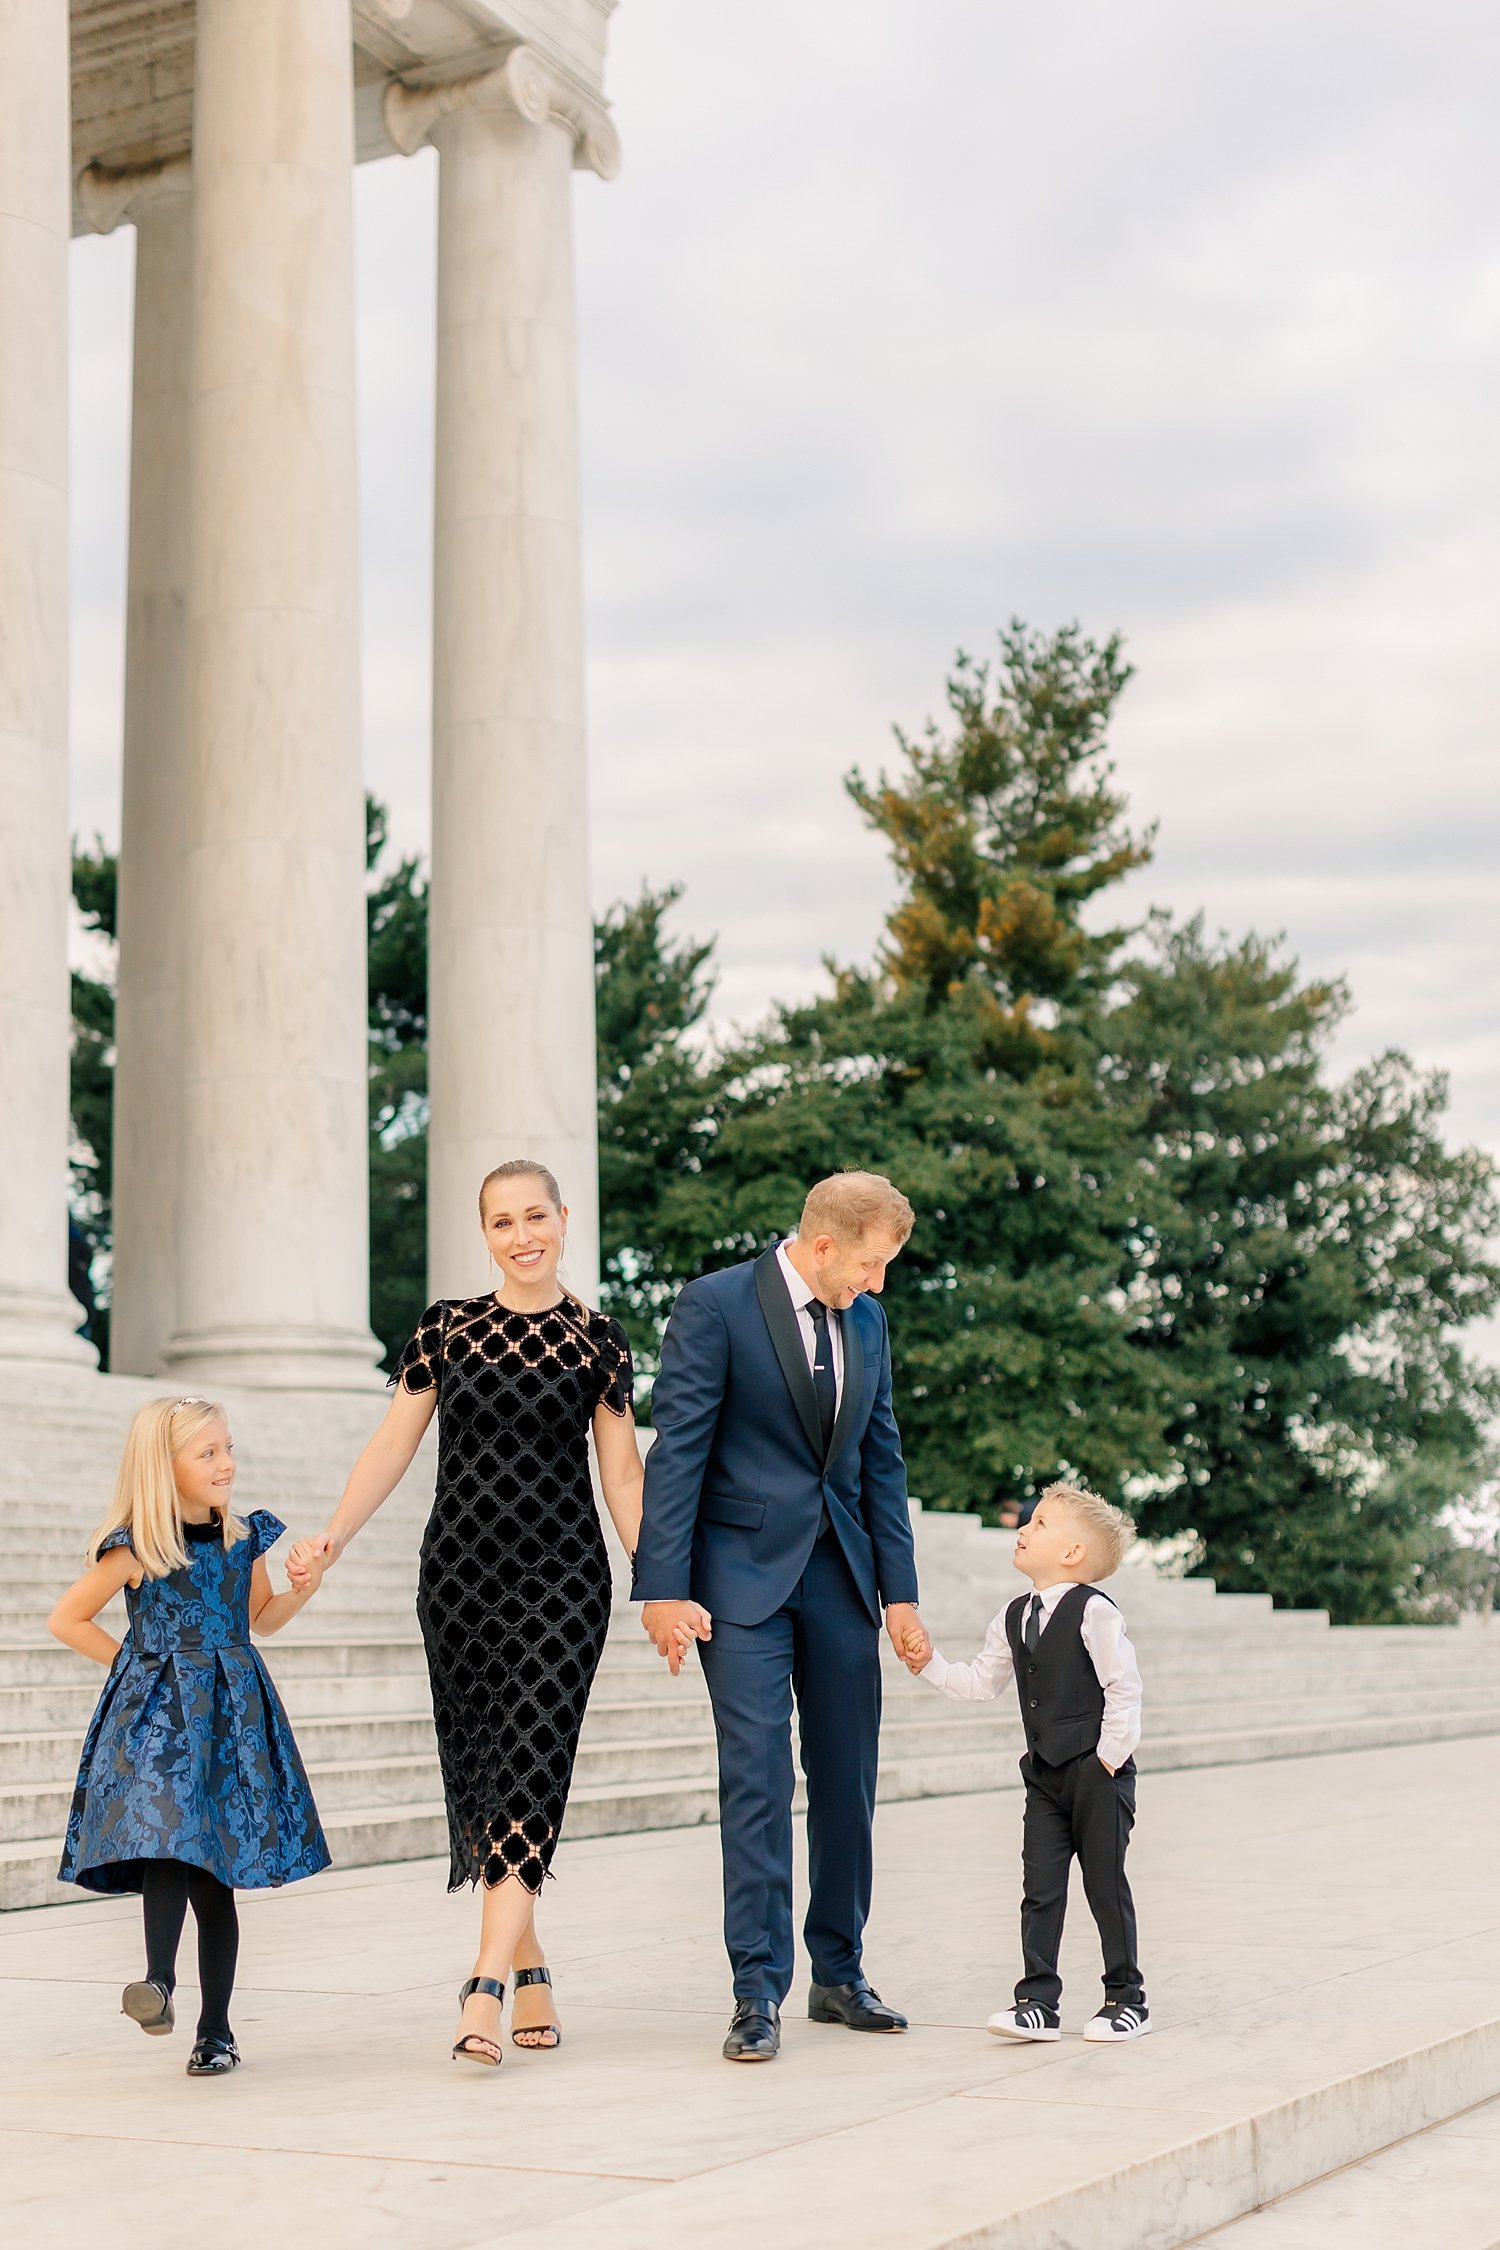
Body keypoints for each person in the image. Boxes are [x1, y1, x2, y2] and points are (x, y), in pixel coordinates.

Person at [288, 1160, 645, 2070]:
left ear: (565, 1219)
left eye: (535, 1216)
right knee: (488, 1777)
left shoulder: (600, 1341)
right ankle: (531, 1966)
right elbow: (394, 1441)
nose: (521, 1235)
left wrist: (663, 1580)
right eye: (500, 1222)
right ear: (483, 1233)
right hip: (459, 1583)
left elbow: (623, 1477)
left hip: (566, 1582)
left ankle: (483, 1980)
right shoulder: (447, 1328)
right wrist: (332, 1535)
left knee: (532, 1765)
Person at [633, 1171, 930, 2062]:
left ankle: (839, 1974)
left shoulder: (868, 1322)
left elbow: (883, 1460)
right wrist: (661, 1587)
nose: (877, 1285)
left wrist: (901, 1593)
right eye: (871, 1265)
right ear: (826, 1244)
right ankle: (756, 1990)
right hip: (738, 1585)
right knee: (759, 1780)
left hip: (842, 1578)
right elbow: (678, 1450)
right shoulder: (715, 1306)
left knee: (849, 1779)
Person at [49, 1396, 331, 2077]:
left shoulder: (242, 1541)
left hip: (230, 1718)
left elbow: (262, 1618)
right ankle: (159, 1983)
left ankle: (216, 2031)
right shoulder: (140, 1550)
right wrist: (140, 1662)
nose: (226, 1463)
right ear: (163, 1467)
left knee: (216, 1877)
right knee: (166, 1841)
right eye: (208, 1453)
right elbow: (69, 1618)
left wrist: (305, 1584)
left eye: (227, 1448)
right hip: (162, 1725)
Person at [909, 1480, 1149, 2042]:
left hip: (1097, 1773)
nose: (1022, 1526)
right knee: (1040, 1887)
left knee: (1104, 1885)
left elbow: (1124, 1687)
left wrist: (1108, 1760)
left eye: (1038, 1523)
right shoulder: (1014, 1615)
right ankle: (1037, 2000)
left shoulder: (1095, 1613)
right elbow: (979, 1681)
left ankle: (1126, 1996)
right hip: (1043, 1776)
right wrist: (929, 1664)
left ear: (1072, 1554)